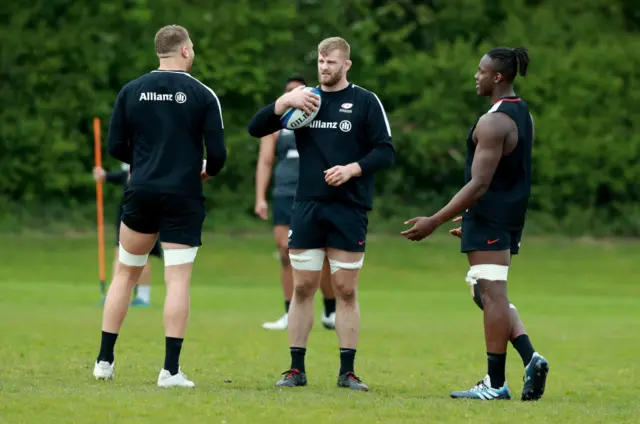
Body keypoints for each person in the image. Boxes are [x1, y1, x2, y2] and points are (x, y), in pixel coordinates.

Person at [401, 47, 549, 401]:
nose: (476, 75)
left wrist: (433, 221)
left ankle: (495, 383)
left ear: (497, 77)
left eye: (481, 70)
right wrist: (468, 218)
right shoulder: (522, 113)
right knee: (482, 293)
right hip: (502, 218)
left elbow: (479, 183)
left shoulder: (492, 122)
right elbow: (505, 178)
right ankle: (531, 358)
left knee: (493, 295)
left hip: (492, 219)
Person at [248, 36, 395, 391]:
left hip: (349, 207)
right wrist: (284, 101)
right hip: (307, 205)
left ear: (346, 65)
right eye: (320, 61)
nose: (324, 67)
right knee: (303, 287)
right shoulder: (305, 102)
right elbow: (256, 128)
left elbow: (385, 152)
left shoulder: (364, 101)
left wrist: (353, 169)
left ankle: (348, 372)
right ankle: (296, 369)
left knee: (345, 289)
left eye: (331, 61)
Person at [92, 24, 227, 388]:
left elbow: (116, 147)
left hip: (141, 190)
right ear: (184, 50)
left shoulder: (131, 91)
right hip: (183, 194)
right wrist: (206, 170)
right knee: (177, 279)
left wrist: (145, 160)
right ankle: (169, 371)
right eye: (192, 47)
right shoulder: (203, 94)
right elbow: (217, 154)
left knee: (125, 274)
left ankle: (104, 361)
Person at [255, 75, 337, 331]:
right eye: (288, 90)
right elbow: (265, 161)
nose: (293, 93)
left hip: (313, 191)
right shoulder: (277, 124)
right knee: (285, 253)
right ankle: (290, 311)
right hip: (284, 192)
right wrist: (260, 197)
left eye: (298, 89)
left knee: (320, 252)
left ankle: (331, 310)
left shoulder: (319, 117)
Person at [93, 163, 162, 307]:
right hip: (130, 206)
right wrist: (105, 175)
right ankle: (118, 295)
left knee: (141, 253)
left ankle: (141, 297)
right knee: (121, 252)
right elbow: (126, 175)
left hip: (145, 206)